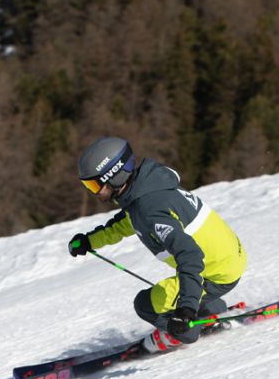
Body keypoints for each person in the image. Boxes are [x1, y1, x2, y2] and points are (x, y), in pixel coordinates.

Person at [68, 136, 247, 353]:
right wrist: (89, 241)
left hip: (217, 273)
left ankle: (186, 332)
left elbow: (190, 256)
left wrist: (186, 311)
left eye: (95, 184)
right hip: (229, 257)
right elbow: (126, 224)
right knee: (172, 290)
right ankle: (210, 311)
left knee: (146, 304)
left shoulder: (149, 209)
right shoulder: (146, 190)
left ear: (114, 176)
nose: (93, 191)